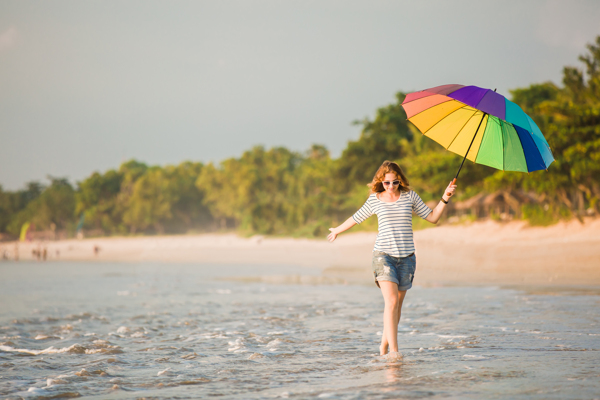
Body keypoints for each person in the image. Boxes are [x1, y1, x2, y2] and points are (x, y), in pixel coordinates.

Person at [327, 160, 456, 356]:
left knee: (397, 308)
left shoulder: (409, 196)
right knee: (392, 302)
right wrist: (337, 230)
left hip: (407, 258)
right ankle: (394, 353)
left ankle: (384, 346)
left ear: (400, 181)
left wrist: (445, 197)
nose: (390, 187)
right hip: (383, 257)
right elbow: (356, 218)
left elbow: (432, 217)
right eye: (386, 183)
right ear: (380, 181)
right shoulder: (375, 199)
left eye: (394, 182)